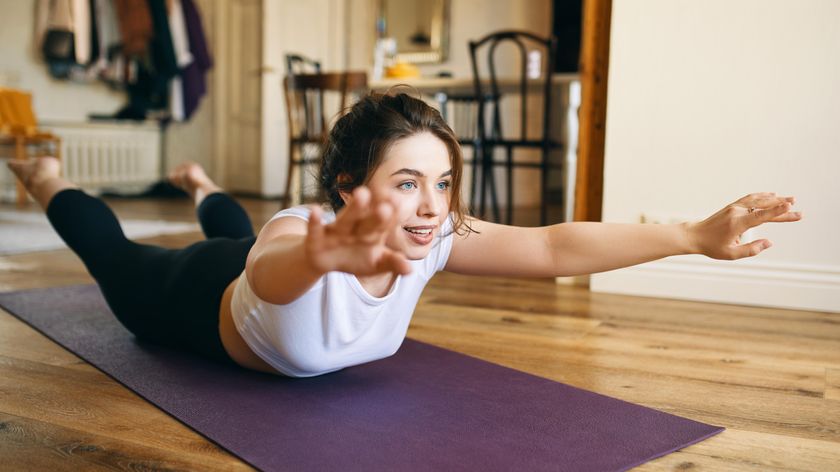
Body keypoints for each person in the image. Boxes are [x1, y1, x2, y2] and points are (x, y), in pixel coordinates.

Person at [8, 92, 802, 378]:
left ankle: (204, 188)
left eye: (444, 181)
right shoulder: (305, 236)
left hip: (254, 256)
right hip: (187, 302)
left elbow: (554, 247)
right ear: (353, 190)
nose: (430, 207)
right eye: (407, 183)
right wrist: (324, 256)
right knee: (115, 256)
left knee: (234, 228)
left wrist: (692, 236)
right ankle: (45, 179)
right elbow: (281, 269)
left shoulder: (433, 234)